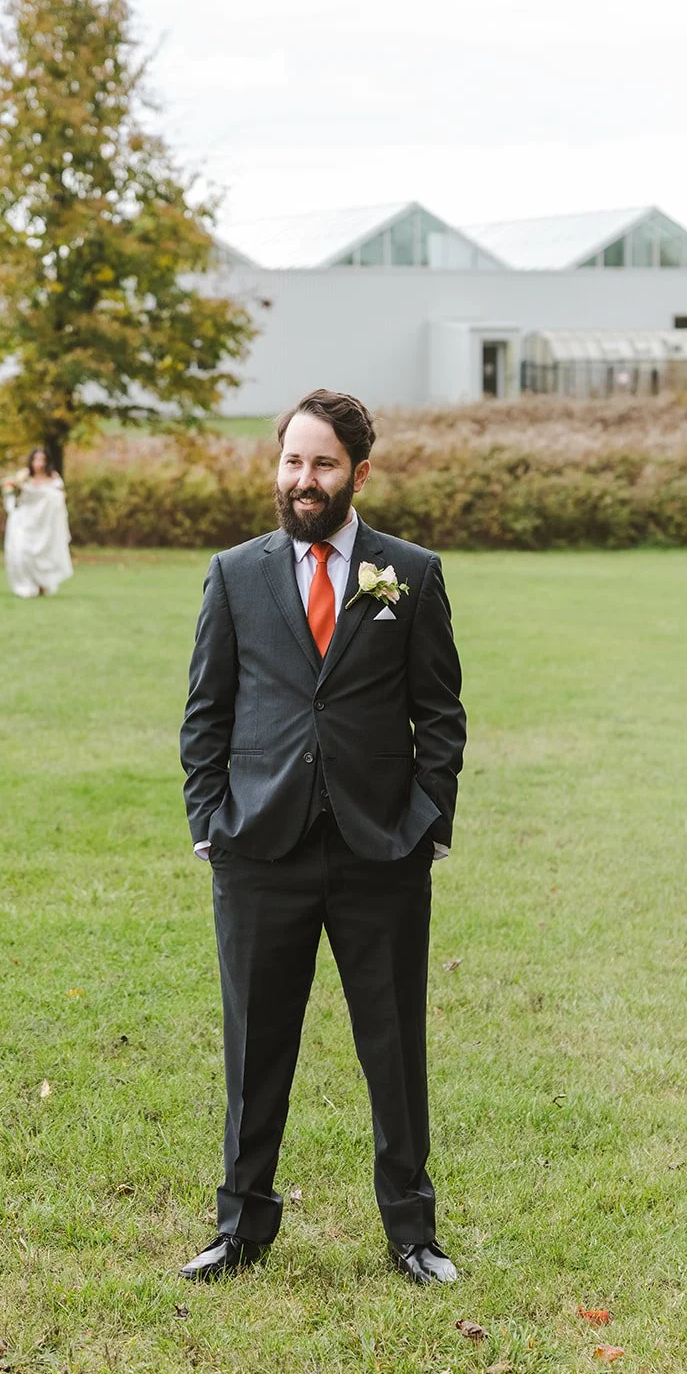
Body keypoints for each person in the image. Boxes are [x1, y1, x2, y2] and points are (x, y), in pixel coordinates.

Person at [178, 388, 466, 1286]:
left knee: (392, 1043)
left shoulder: (407, 572)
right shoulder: (234, 574)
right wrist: (208, 825)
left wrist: (428, 824)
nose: (304, 480)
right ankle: (241, 1227)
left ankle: (411, 1233)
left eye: (323, 464)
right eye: (292, 461)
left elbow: (440, 713)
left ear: (358, 474)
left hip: (381, 846)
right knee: (255, 1043)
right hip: (259, 847)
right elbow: (205, 712)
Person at [3, 447, 73, 599]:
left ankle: (43, 584)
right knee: (23, 553)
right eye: (36, 459)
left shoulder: (54, 478)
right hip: (26, 522)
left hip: (46, 524)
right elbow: (16, 500)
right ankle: (28, 585)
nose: (39, 463)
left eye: (43, 460)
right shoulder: (24, 477)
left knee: (46, 554)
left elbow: (59, 499)